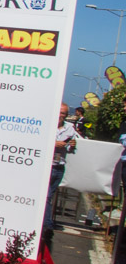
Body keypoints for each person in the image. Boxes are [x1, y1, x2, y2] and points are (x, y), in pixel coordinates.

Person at [45, 102, 78, 241]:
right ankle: (47, 226)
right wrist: (53, 144)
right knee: (46, 197)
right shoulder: (47, 124)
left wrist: (72, 145)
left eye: (63, 113)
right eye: (59, 112)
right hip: (47, 166)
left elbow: (71, 149)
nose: (60, 115)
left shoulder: (70, 128)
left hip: (59, 166)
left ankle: (45, 224)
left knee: (49, 196)